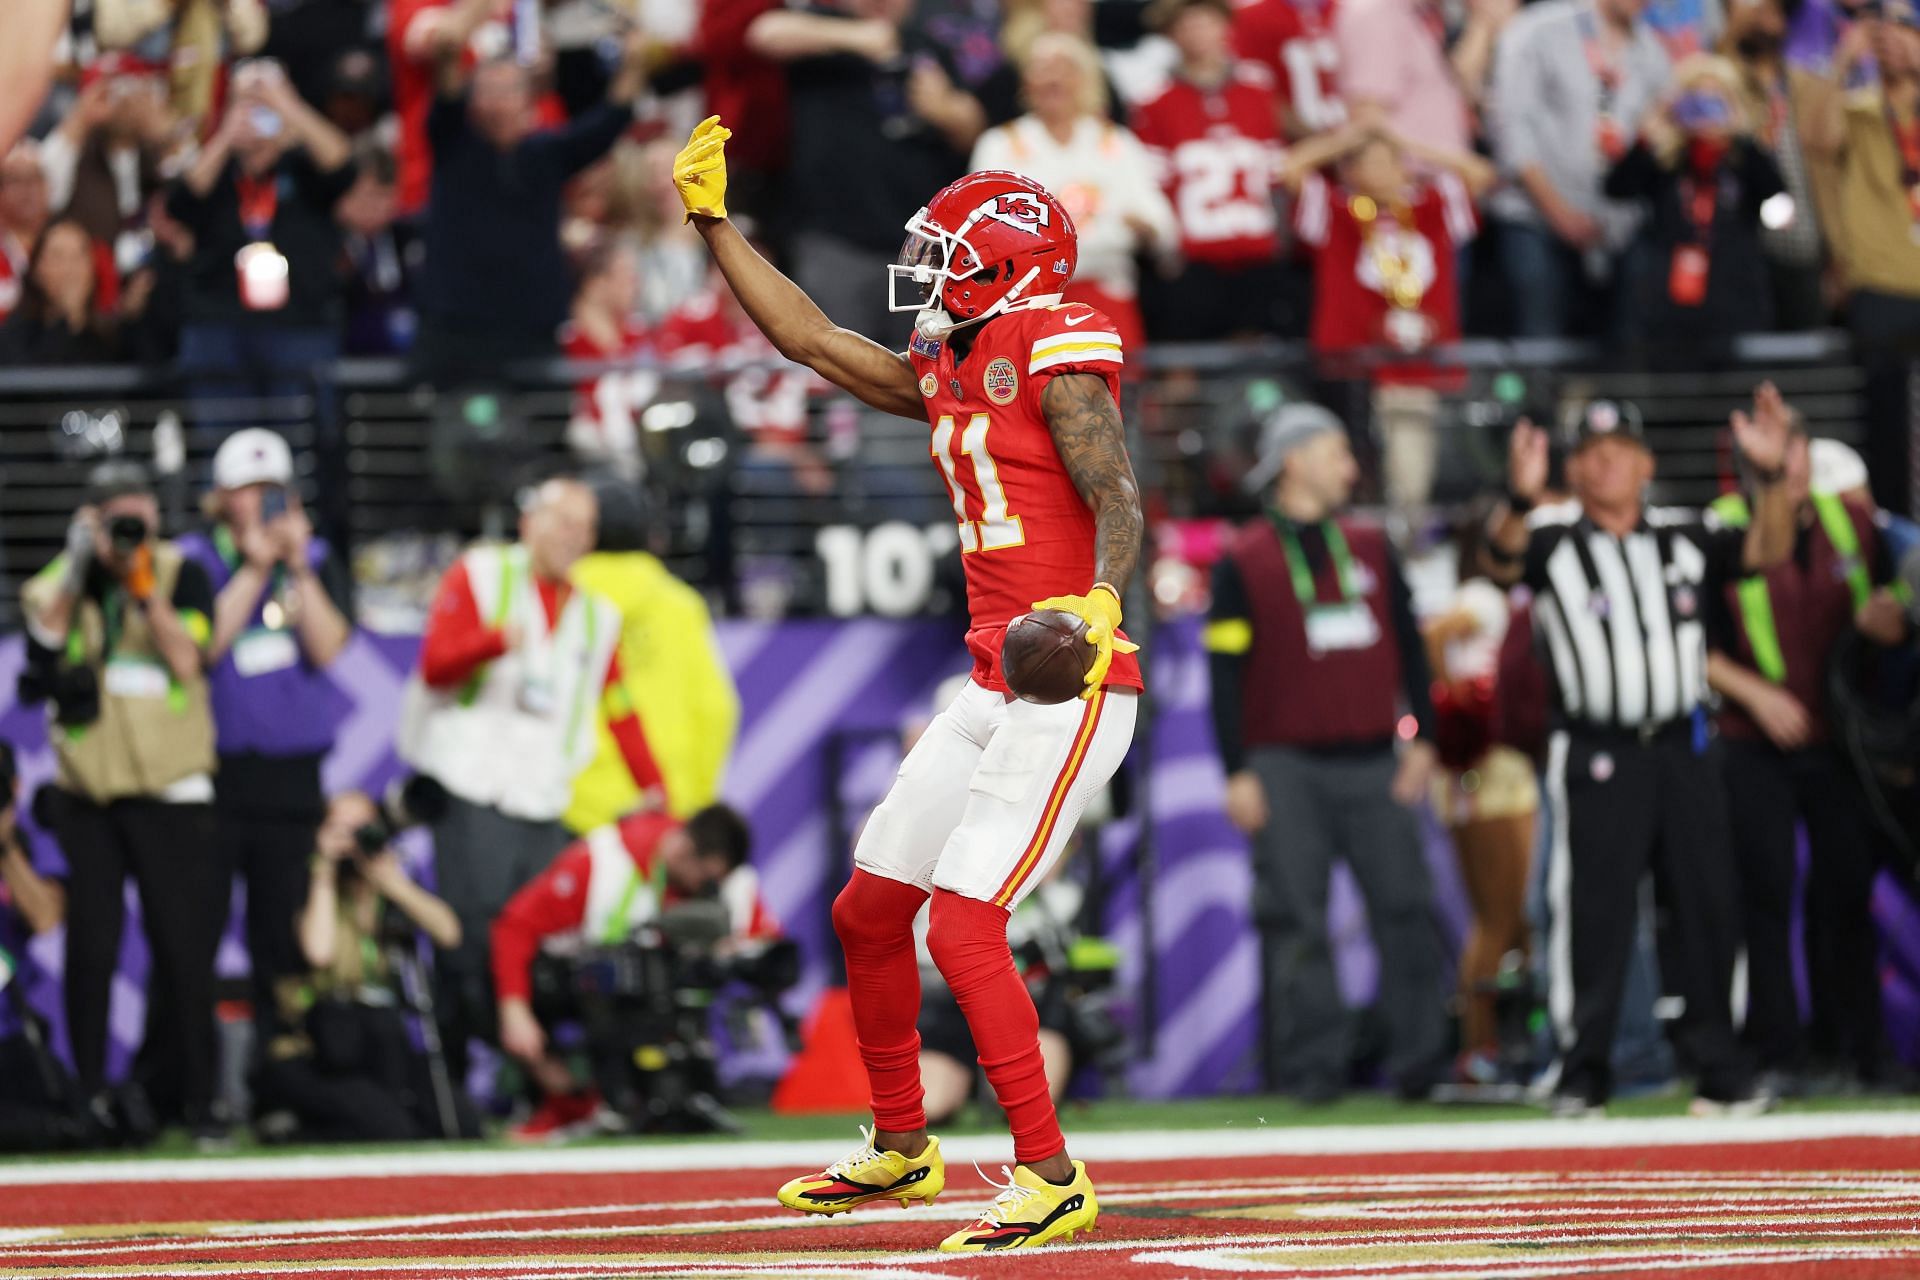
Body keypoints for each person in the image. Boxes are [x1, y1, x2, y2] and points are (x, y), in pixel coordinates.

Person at [675, 119, 1145, 1250]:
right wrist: (714, 226)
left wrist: (1101, 599)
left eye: (948, 257)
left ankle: (1050, 1173)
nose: (928, 276)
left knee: (966, 923)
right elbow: (812, 340)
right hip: (994, 679)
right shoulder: (951, 363)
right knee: (870, 907)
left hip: (1073, 678)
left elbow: (1118, 492)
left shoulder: (1051, 342)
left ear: (1008, 270)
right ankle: (903, 1143)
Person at [1483, 390, 1795, 1115]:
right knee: (1592, 912)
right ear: (1574, 468)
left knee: (1710, 903)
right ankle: (1582, 1071)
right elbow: (1497, 562)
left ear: (1645, 463)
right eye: (1589, 454)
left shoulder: (1688, 534)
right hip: (1597, 749)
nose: (1604, 464)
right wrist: (1517, 496)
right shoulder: (1552, 537)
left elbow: (1769, 550)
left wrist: (1772, 478)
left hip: (1683, 748)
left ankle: (1723, 1070)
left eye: (1618, 450)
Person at [1205, 404, 1447, 1103]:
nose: (1351, 467)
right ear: (1295, 461)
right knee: (1297, 922)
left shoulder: (1371, 545)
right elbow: (1225, 674)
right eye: (1337, 452)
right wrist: (1237, 770)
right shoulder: (1241, 560)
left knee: (1404, 907)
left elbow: (1408, 643)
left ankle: (1421, 1066)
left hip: (1376, 759)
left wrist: (1425, 739)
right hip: (1284, 767)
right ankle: (1313, 1075)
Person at [396, 476, 664, 1081]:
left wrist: (654, 787)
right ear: (528, 523)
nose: (573, 535)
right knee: (468, 947)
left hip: (543, 796)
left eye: (584, 526)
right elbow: (434, 666)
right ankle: (457, 1084)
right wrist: (493, 643)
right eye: (561, 520)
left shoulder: (598, 616)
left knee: (542, 946)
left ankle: (536, 1086)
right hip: (472, 786)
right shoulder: (481, 573)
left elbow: (618, 706)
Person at [17, 461, 223, 1138]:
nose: (130, 528)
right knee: (92, 948)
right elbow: (43, 639)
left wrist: (141, 587)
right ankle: (90, 1098)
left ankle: (200, 1103)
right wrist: (81, 564)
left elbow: (190, 660)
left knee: (183, 948)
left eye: (138, 514)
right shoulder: (66, 576)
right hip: (89, 791)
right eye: (115, 517)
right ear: (92, 519)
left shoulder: (179, 571)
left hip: (171, 789)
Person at [1705, 420, 1909, 1090]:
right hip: (1752, 738)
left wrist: (1891, 618)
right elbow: (1688, 636)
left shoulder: (1850, 521)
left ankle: (1860, 1050)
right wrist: (1755, 696)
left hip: (1836, 739)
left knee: (1847, 893)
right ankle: (1779, 1054)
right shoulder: (1721, 527)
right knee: (1765, 895)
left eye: (1795, 448)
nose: (1792, 464)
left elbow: (1899, 596)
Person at [176, 429, 353, 1040]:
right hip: (217, 774)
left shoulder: (317, 557)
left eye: (272, 490)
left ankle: (283, 1067)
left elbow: (329, 648)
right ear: (221, 498)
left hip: (291, 776)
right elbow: (203, 649)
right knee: (199, 927)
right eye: (248, 491)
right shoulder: (195, 560)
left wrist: (296, 566)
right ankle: (194, 1081)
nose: (261, 504)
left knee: (282, 929)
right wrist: (253, 568)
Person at [490, 804, 773, 1139]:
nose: (705, 888)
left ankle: (670, 1094)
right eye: (705, 878)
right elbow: (513, 928)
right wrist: (515, 1010)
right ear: (684, 851)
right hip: (583, 990)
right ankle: (569, 1100)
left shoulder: (727, 881)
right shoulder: (601, 863)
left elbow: (768, 946)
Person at [412, 25, 649, 382]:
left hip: (532, 332)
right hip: (456, 333)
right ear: (473, 101)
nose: (498, 102)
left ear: (529, 101)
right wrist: (448, 55)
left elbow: (608, 122)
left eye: (508, 91)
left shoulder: (547, 154)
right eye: (488, 91)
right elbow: (445, 97)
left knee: (544, 430)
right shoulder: (453, 147)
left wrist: (635, 66)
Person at [1282, 124, 1492, 514]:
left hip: (1415, 370)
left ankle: (1404, 550)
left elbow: (1481, 174)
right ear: (1351, 172)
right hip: (1350, 369)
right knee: (1349, 480)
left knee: (1410, 482)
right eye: (1367, 162)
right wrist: (1350, 138)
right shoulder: (1337, 212)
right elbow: (1290, 168)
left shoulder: (1430, 209)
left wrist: (1405, 140)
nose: (1378, 170)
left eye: (1388, 161)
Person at [743, 0, 974, 341]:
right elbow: (763, 33)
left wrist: (946, 111)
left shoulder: (927, 47)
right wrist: (856, 36)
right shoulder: (825, 29)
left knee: (918, 376)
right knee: (835, 370)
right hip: (837, 242)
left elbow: (974, 133)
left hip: (919, 255)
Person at [254, 791, 473, 1142]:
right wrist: (323, 869)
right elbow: (319, 952)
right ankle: (289, 1127)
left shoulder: (387, 883)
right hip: (319, 1049)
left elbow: (449, 933)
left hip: (382, 1044)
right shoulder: (301, 882)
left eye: (363, 828)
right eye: (342, 828)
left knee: (458, 1123)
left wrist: (394, 885)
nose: (354, 839)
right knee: (389, 1126)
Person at [167, 58, 354, 428]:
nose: (259, 110)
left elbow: (344, 166)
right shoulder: (214, 168)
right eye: (246, 101)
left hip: (299, 327)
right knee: (223, 452)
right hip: (220, 329)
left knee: (302, 443)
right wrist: (224, 138)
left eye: (268, 100)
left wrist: (289, 109)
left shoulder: (305, 165)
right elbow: (181, 202)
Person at [968, 32, 1178, 360]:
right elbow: (977, 232)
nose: (1053, 79)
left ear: (1085, 79)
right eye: (1042, 69)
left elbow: (1162, 227)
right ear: (1026, 81)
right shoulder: (999, 145)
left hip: (1106, 295)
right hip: (1025, 300)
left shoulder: (1116, 143)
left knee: (1114, 404)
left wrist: (1147, 228)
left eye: (1064, 68)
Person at [1423, 511, 1540, 1084]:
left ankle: (1491, 1044)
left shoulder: (1501, 599)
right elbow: (1435, 633)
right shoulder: (1485, 597)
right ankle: (1482, 1047)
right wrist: (1453, 701)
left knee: (1506, 920)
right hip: (1491, 770)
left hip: (1487, 770)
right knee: (1503, 917)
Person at [1488, 0, 1672, 338]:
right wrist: (1558, 211)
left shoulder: (1653, 52)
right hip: (1535, 219)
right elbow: (1510, 127)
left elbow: (1658, 137)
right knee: (1541, 342)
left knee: (1623, 350)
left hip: (1616, 229)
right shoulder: (1537, 30)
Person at [1802, 0, 1920, 514]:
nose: (1891, 39)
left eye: (1906, 29)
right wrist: (1846, 60)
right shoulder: (1857, 107)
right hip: (1880, 285)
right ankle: (1897, 534)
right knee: (1887, 424)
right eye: (1883, 30)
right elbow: (1815, 138)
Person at [566, 498, 743, 832]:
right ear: (650, 536)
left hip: (569, 807)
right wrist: (695, 801)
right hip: (662, 809)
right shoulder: (681, 605)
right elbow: (716, 710)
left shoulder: (562, 600)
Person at [1132, 0, 1294, 340]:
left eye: (1205, 22)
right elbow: (1152, 182)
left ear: (1226, 27)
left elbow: (1276, 171)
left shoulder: (1259, 87)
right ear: (1172, 34)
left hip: (1259, 256)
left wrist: (1281, 243)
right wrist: (1168, 254)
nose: (1197, 34)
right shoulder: (1153, 100)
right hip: (1192, 264)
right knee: (1188, 370)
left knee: (1264, 362)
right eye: (1187, 25)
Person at [1603, 54, 1786, 353]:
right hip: (1666, 305)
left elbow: (1778, 200)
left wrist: (1741, 138)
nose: (1705, 115)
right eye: (1696, 103)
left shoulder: (1744, 162)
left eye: (1716, 103)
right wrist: (1648, 134)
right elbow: (1616, 188)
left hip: (1733, 299)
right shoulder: (1667, 162)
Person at [1723, 0, 1831, 330]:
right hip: (1747, 248)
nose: (1762, 19)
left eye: (1771, 10)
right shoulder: (1726, 79)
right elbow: (1713, 67)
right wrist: (1736, 27)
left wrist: (1838, 260)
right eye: (1754, 11)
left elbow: (1830, 163)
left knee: (1806, 364)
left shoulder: (1805, 85)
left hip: (1805, 246)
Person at [1334, 0, 1476, 158]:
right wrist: (1456, 163)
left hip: (1439, 176)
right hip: (1410, 177)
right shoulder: (1377, 14)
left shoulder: (1420, 13)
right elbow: (1367, 124)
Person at [0, 217, 121, 364]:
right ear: (37, 270)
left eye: (79, 256)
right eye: (58, 257)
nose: (70, 270)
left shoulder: (113, 335)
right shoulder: (15, 335)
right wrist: (67, 319)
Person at [1233, 0, 1346, 137]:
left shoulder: (1346, 13)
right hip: (1288, 141)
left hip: (1349, 131)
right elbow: (1254, 92)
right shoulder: (1252, 17)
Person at [0, 141, 50, 323]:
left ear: (47, 187)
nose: (27, 189)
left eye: (35, 179)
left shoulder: (75, 244)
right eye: (15, 180)